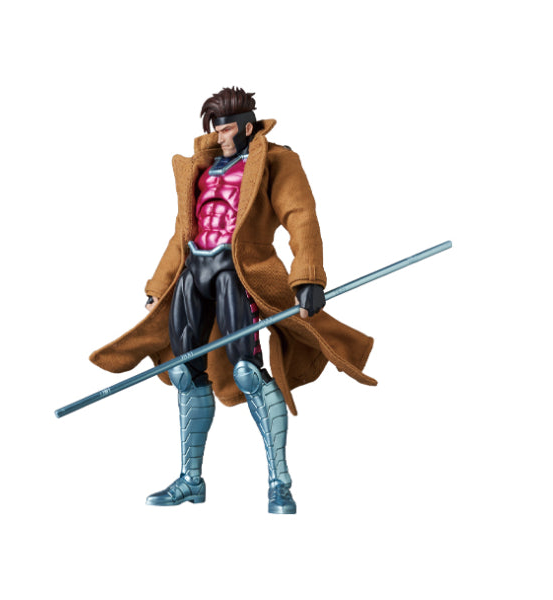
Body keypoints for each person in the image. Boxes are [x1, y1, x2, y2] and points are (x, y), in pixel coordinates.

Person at [90, 87, 377, 514]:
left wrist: (308, 277)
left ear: (245, 127)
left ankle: (279, 482)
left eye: (225, 128)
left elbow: (301, 216)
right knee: (185, 372)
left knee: (247, 371)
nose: (219, 136)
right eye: (216, 128)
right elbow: (182, 232)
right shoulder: (203, 166)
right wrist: (159, 284)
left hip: (237, 272)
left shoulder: (275, 160)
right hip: (194, 272)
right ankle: (190, 480)